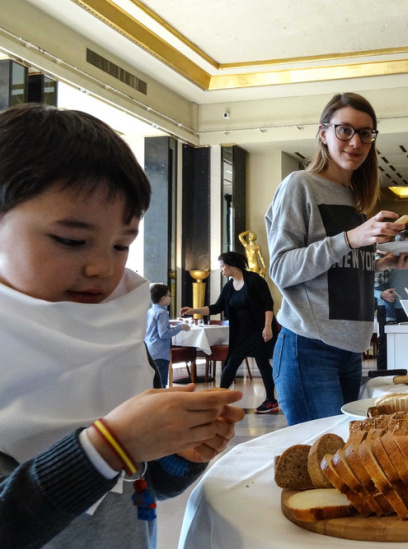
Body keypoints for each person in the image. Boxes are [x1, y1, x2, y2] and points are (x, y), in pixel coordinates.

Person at [0, 103, 244, 548]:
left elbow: (139, 487)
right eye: (71, 240)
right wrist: (109, 446)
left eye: (121, 245)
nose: (101, 268)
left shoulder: (115, 325)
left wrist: (176, 451)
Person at [265, 92, 408, 425]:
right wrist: (351, 238)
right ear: (323, 133)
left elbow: (338, 270)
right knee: (329, 459)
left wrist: (383, 263)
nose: (356, 141)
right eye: (345, 130)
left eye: (366, 133)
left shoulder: (357, 198)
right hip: (309, 346)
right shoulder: (300, 185)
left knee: (345, 455)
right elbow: (281, 269)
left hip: (352, 347)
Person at [180, 251, 279, 414]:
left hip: (258, 331)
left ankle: (270, 400)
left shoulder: (254, 280)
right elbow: (216, 307)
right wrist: (193, 310)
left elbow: (268, 305)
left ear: (230, 265)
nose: (221, 270)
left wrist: (268, 327)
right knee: (231, 364)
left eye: (221, 267)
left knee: (262, 365)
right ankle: (219, 399)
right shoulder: (228, 287)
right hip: (240, 333)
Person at [374, 229, 408, 324]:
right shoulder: (384, 261)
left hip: (406, 307)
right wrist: (380, 294)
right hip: (384, 307)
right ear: (397, 244)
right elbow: (364, 284)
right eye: (406, 245)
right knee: (386, 338)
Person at [145, 283, 190, 387]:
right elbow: (164, 334)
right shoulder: (162, 313)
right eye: (170, 295)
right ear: (163, 299)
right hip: (160, 352)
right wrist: (180, 328)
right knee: (161, 383)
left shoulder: (150, 311)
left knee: (153, 382)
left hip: (150, 349)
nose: (170, 298)